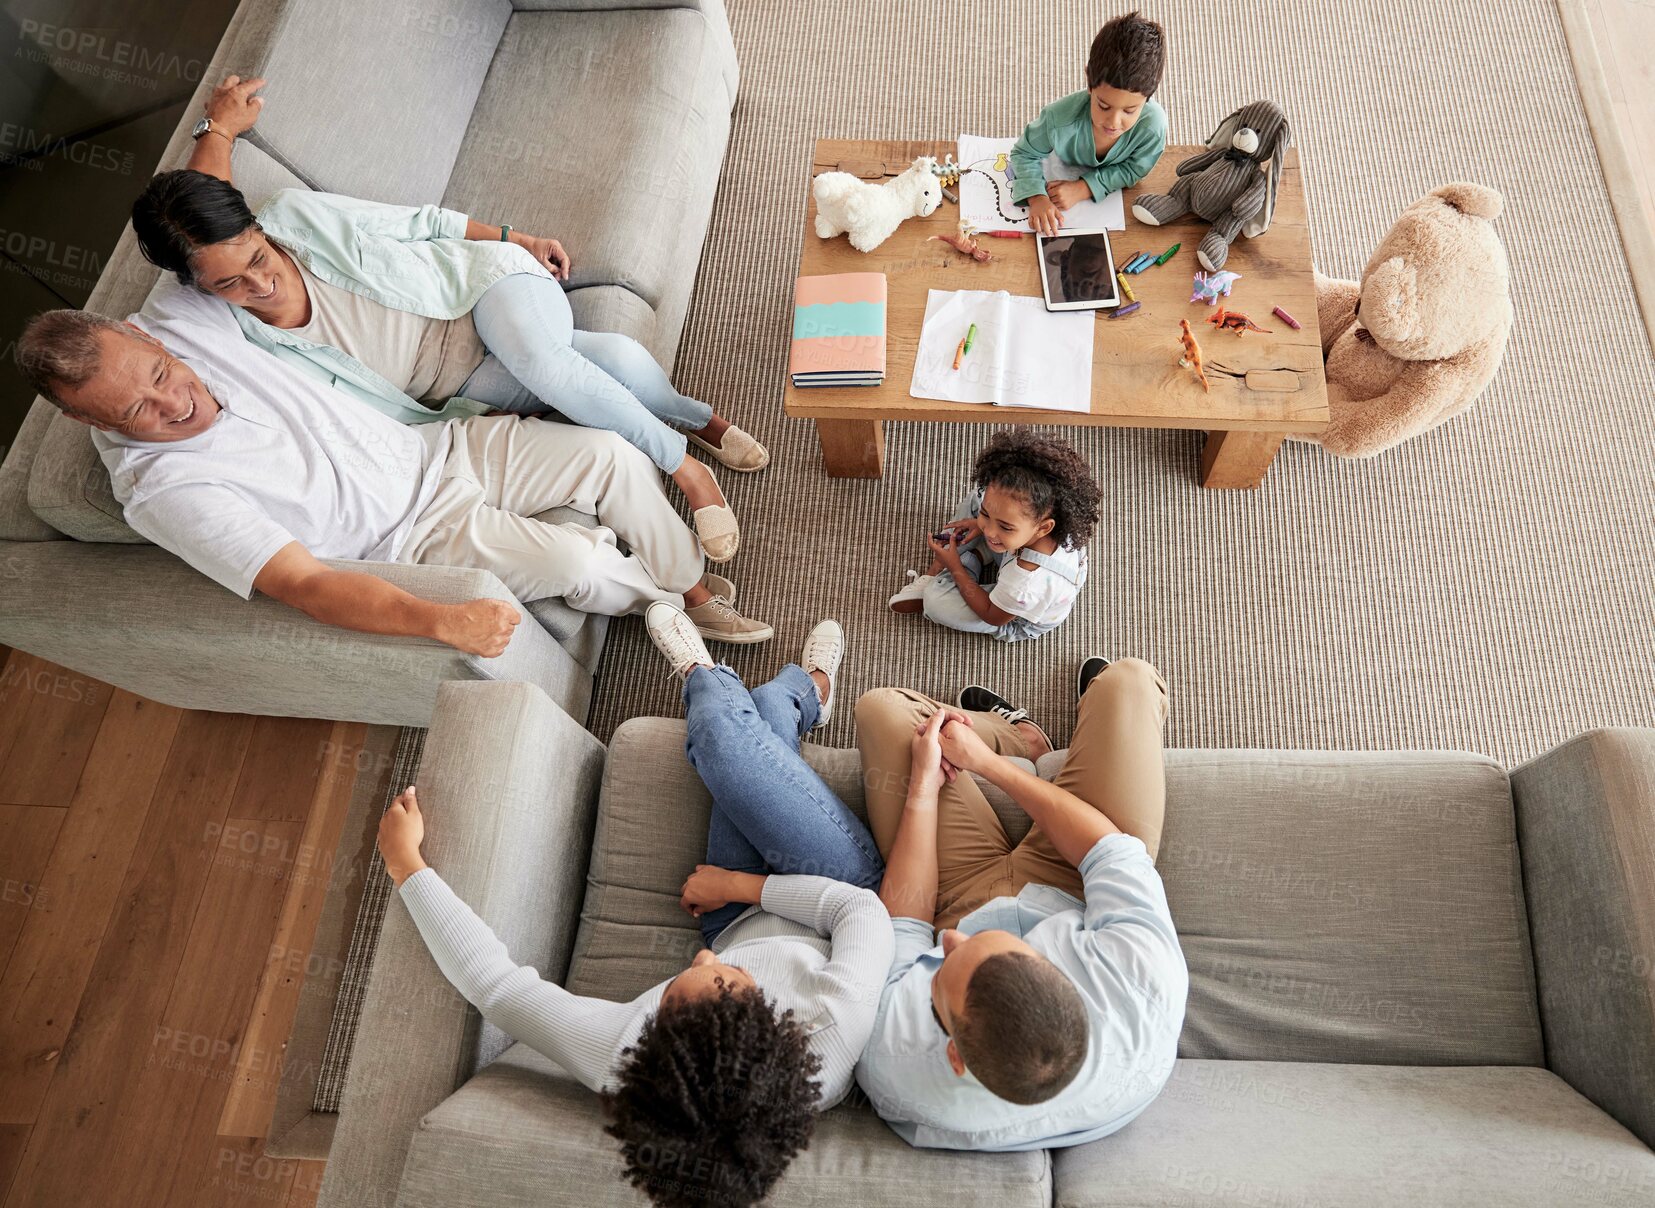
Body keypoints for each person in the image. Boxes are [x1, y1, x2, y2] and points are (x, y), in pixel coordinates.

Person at [128, 74, 764, 563]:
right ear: (198, 288)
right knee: (593, 366)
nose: (259, 283)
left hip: (480, 289)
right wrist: (215, 134)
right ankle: (698, 416)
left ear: (257, 226)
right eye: (230, 284)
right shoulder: (227, 332)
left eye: (258, 258)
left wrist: (516, 237)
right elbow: (193, 252)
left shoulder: (292, 215)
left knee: (546, 362)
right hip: (457, 384)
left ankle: (686, 467)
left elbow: (421, 223)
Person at [375, 613, 892, 1207]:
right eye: (725, 975)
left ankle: (753, 684)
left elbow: (496, 987)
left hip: (736, 915)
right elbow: (861, 912)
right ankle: (789, 685)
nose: (698, 953)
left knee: (758, 732)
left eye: (677, 986)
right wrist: (744, 886)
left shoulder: (626, 1055)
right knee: (735, 742)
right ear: (776, 1024)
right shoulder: (829, 1032)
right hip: (830, 887)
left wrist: (406, 867)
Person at [14, 280, 773, 651]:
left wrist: (218, 128)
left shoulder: (175, 321)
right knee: (576, 557)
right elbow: (305, 587)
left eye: (157, 375)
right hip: (411, 536)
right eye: (136, 413)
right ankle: (660, 606)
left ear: (140, 336)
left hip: (438, 447)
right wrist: (439, 619)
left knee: (608, 453)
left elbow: (200, 219)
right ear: (88, 421)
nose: (172, 403)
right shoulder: (162, 492)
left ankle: (688, 590)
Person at [851, 659, 1189, 1151]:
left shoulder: (892, 1056)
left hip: (953, 894)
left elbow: (906, 924)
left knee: (884, 711)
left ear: (955, 1056)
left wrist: (925, 783)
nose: (948, 940)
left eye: (943, 971)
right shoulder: (1141, 979)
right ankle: (1023, 743)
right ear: (1057, 965)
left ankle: (1007, 740)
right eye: (979, 945)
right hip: (1073, 884)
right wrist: (988, 765)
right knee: (1127, 681)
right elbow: (1107, 850)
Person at [889, 431, 1098, 643]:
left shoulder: (1024, 583)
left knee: (935, 602)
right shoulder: (1039, 523)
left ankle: (954, 566)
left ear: (1043, 528)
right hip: (1015, 555)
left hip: (1011, 616)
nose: (989, 531)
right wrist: (983, 524)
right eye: (986, 516)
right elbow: (994, 521)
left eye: (1005, 527)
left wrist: (956, 568)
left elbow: (993, 615)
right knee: (978, 498)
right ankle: (964, 559)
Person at [1013, 12, 1169, 237]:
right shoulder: (1059, 119)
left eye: (1129, 110)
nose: (1114, 123)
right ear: (1089, 83)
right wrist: (1037, 197)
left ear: (1148, 97)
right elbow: (1024, 153)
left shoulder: (1153, 127)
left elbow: (1135, 170)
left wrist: (1085, 187)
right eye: (1104, 106)